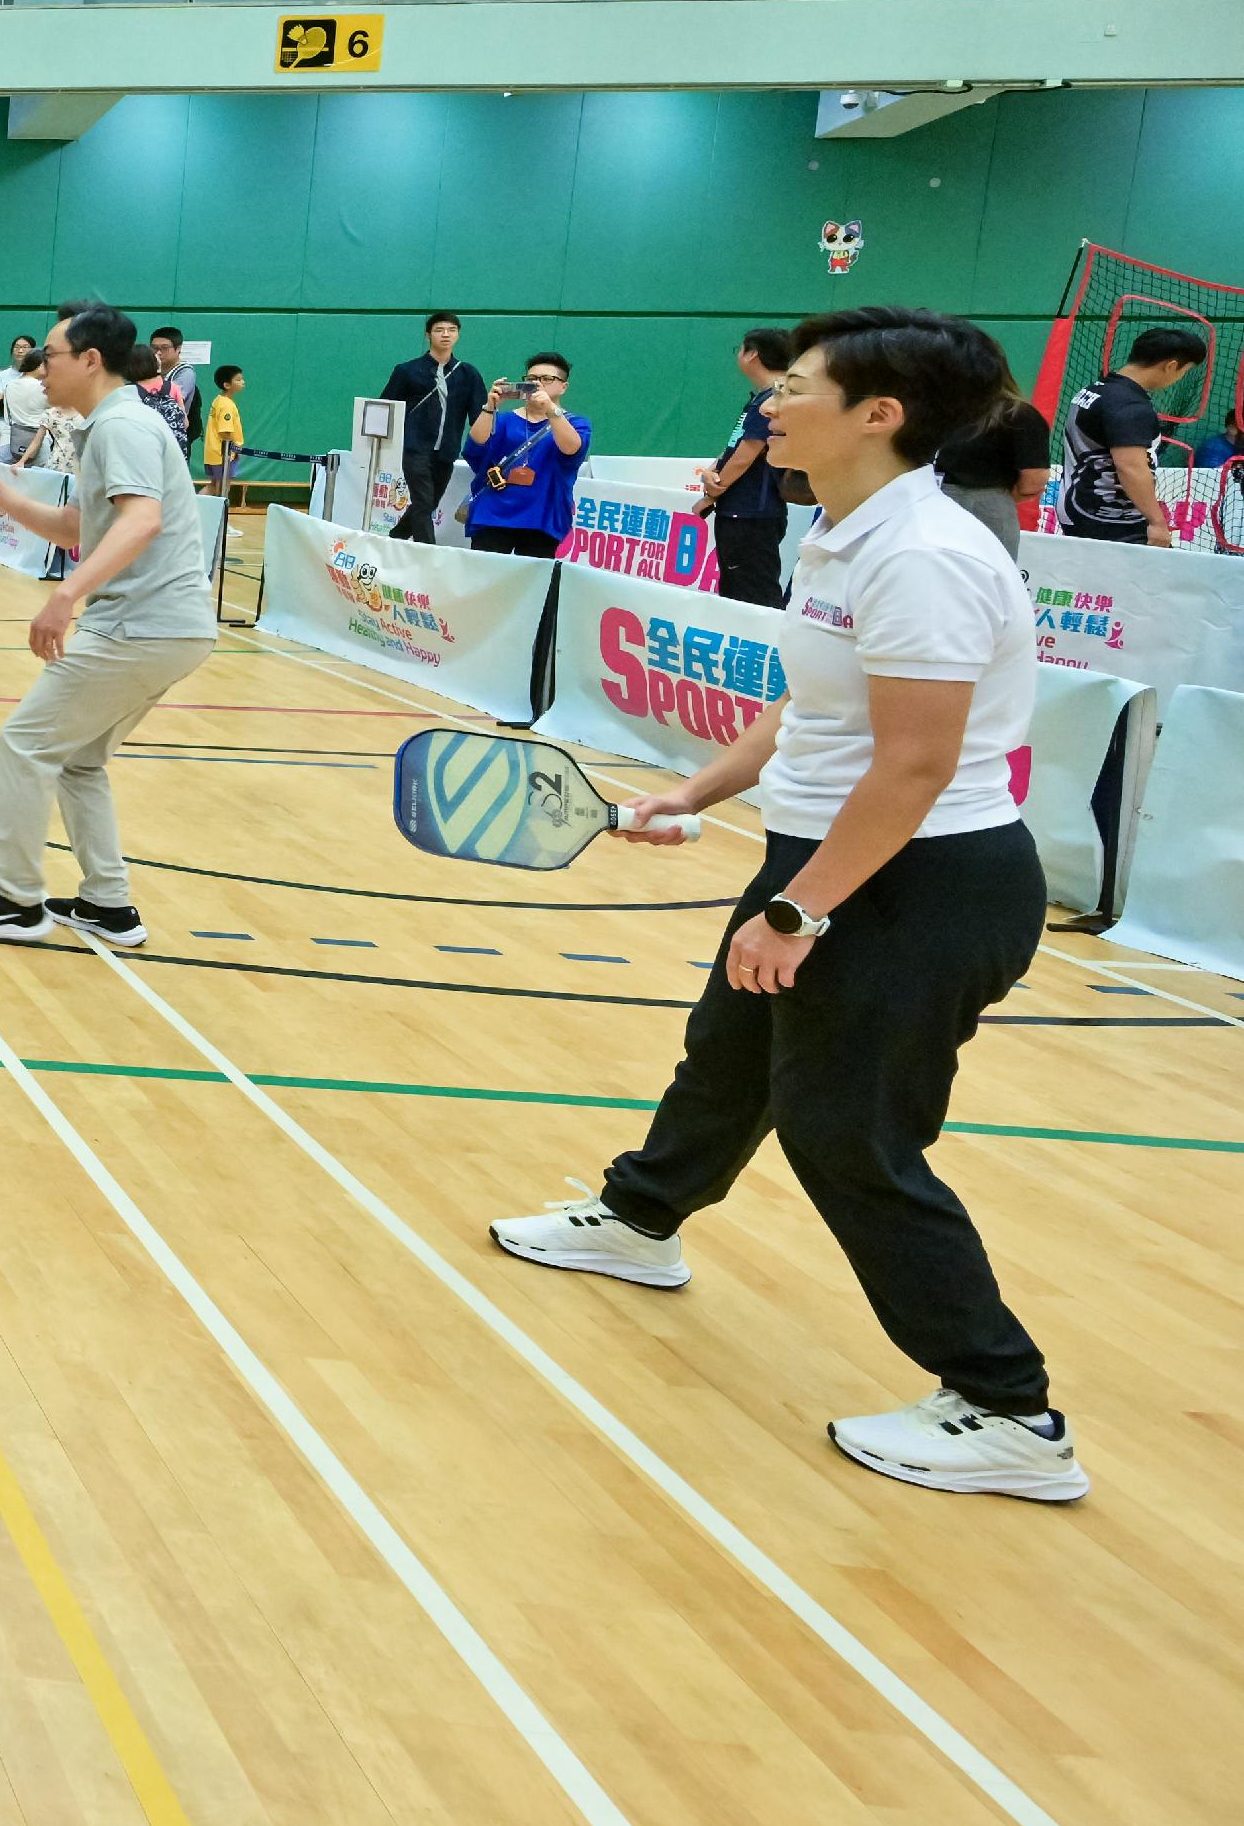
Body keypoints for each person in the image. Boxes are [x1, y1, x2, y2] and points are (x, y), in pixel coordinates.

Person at [490, 308, 1078, 1501]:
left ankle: (1008, 1406)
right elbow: (811, 712)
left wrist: (800, 912)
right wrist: (691, 791)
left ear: (879, 413)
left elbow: (913, 766)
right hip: (831, 857)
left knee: (848, 1129)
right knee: (731, 1051)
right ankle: (638, 1220)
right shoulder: (845, 530)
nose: (770, 398)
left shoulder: (924, 555)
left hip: (920, 883)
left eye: (797, 384)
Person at [0, 303, 219, 949]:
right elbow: (84, 530)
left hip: (144, 625)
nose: (38, 373)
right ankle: (107, 906)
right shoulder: (108, 427)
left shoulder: (124, 429)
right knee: (80, 762)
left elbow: (142, 522)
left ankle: (15, 900)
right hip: (168, 629)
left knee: (26, 743)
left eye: (48, 359)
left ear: (91, 360)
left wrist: (65, 597)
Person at [1059, 325, 1205, 545]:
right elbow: (1131, 467)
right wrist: (1157, 521)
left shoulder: (1095, 390)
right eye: (1184, 372)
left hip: (1080, 506)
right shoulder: (1129, 406)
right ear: (1171, 366)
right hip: (1112, 519)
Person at [691, 327, 795, 609]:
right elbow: (734, 448)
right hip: (739, 510)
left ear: (753, 355)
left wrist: (712, 493)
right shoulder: (760, 398)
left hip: (752, 514)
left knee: (754, 596)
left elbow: (746, 455)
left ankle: (766, 652)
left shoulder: (776, 399)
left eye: (741, 348)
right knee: (735, 592)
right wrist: (711, 471)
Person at [460, 352, 589, 559]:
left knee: (532, 585)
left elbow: (571, 449)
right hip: (494, 512)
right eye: (532, 379)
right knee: (484, 579)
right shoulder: (503, 420)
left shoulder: (576, 423)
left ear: (563, 386)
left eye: (547, 379)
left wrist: (550, 409)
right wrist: (489, 406)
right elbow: (476, 445)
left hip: (542, 516)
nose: (538, 384)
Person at [380, 313, 481, 545]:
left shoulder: (468, 374)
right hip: (415, 448)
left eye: (451, 329)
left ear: (458, 334)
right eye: (439, 329)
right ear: (428, 335)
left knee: (429, 503)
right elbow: (386, 407)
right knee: (424, 503)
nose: (446, 334)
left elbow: (478, 416)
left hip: (447, 450)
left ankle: (394, 538)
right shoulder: (407, 371)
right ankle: (428, 555)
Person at [934, 395, 1051, 560]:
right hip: (985, 507)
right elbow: (1033, 480)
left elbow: (1033, 480)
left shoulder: (935, 406)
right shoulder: (1018, 413)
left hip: (943, 502)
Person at [135, 328, 194, 451]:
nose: (159, 353)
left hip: (172, 438)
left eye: (164, 348)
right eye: (154, 348)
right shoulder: (152, 371)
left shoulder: (185, 373)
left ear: (178, 349)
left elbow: (171, 402)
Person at [0, 336, 46, 449]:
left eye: (25, 347)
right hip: (8, 427)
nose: (20, 351)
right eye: (17, 347)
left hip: (36, 428)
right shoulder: (3, 376)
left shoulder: (42, 377)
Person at [202, 365, 245, 494]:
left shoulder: (219, 400)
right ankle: (218, 512)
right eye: (238, 380)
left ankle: (197, 509)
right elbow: (225, 432)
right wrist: (236, 447)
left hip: (215, 452)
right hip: (222, 454)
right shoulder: (226, 405)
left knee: (215, 485)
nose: (242, 382)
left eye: (242, 379)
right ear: (227, 385)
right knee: (221, 487)